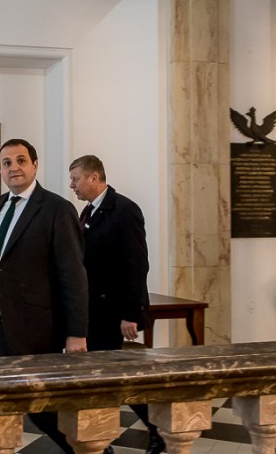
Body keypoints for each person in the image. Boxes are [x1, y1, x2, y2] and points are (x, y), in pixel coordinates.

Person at [0, 138, 88, 453]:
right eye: (7, 162)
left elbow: (73, 275)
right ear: (0, 169)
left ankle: (90, 450)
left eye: (21, 160)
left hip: (33, 329)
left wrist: (76, 332)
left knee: (43, 408)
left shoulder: (56, 209)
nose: (14, 168)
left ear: (35, 165)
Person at [68, 155, 164, 454]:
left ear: (94, 178)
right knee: (103, 376)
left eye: (76, 179)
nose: (72, 185)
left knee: (113, 378)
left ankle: (152, 429)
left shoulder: (124, 209)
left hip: (111, 311)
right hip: (93, 310)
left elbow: (136, 265)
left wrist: (130, 313)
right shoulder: (87, 211)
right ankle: (108, 437)